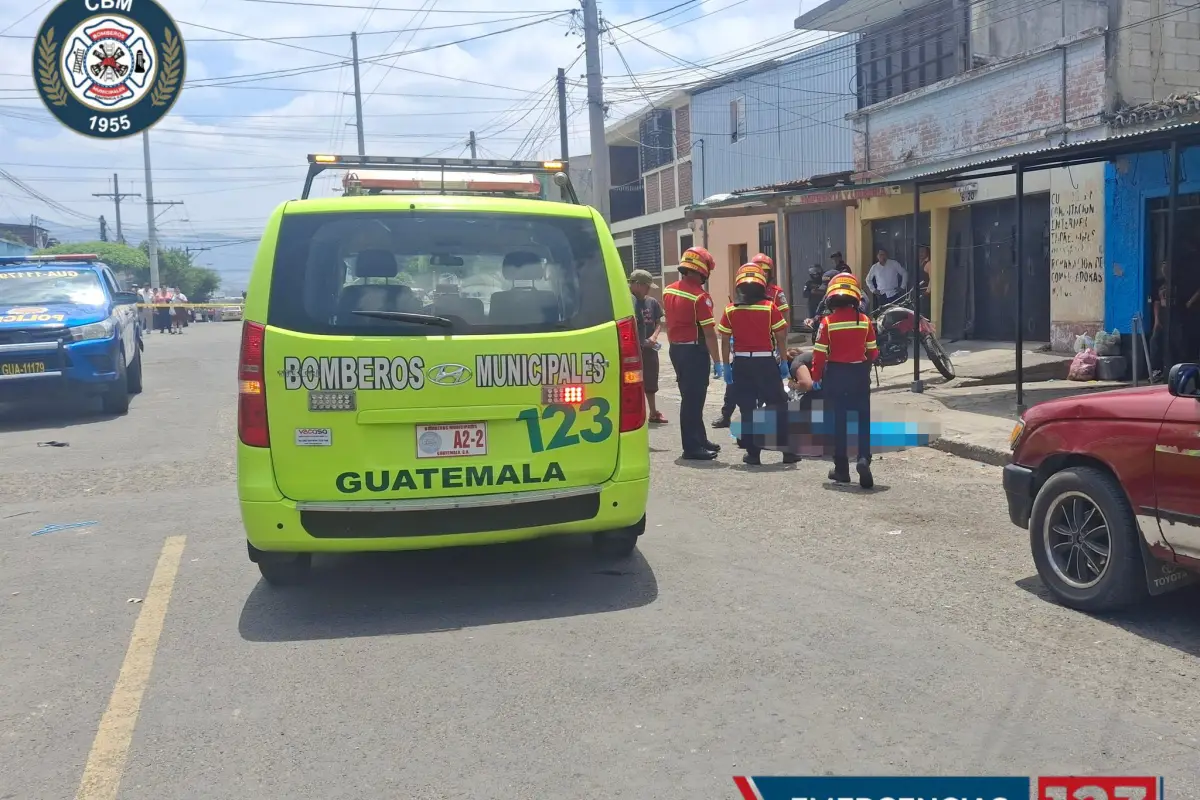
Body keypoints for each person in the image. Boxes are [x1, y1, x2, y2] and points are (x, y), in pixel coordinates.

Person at [715, 264, 797, 466]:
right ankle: (787, 453)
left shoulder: (730, 309)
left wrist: (726, 366)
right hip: (765, 362)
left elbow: (725, 341)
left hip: (742, 363)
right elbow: (781, 336)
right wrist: (784, 361)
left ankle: (753, 455)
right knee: (778, 406)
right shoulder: (770, 308)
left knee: (748, 409)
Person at [811, 274, 879, 488]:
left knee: (838, 423)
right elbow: (873, 353)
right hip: (859, 374)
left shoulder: (827, 323)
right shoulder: (865, 321)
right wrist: (863, 365)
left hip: (835, 376)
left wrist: (815, 378)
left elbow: (819, 356)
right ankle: (863, 459)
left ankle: (841, 470)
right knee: (862, 420)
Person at [664, 247, 722, 461]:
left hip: (676, 349)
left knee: (691, 398)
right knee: (693, 400)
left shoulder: (668, 290)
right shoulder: (699, 297)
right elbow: (709, 333)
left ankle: (700, 439)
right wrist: (718, 361)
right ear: (702, 271)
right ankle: (691, 447)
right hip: (694, 351)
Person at [629, 269, 667, 424]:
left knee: (651, 381)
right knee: (631, 382)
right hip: (632, 350)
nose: (649, 290)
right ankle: (634, 414)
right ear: (637, 285)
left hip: (649, 349)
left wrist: (654, 337)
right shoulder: (627, 301)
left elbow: (659, 322)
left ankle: (653, 412)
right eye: (647, 286)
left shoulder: (652, 302)